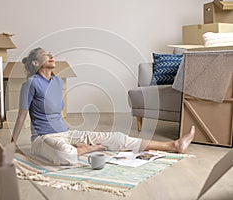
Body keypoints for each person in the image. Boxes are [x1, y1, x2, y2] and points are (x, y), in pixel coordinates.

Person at [11, 47, 195, 165]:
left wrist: (71, 138)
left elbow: (57, 113)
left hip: (66, 133)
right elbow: (21, 116)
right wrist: (12, 145)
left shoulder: (58, 81)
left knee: (116, 137)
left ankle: (174, 145)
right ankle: (87, 148)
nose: (51, 55)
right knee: (65, 154)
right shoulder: (31, 84)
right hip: (43, 138)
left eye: (51, 53)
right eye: (45, 55)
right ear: (36, 63)